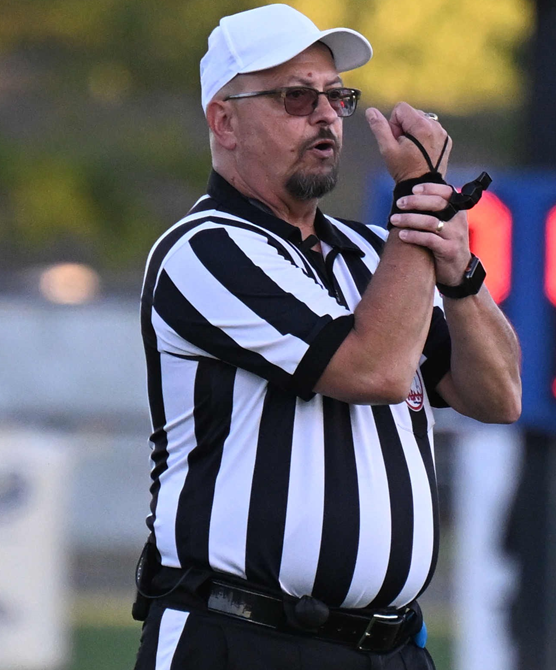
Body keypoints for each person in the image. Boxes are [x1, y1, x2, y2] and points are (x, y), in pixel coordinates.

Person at [134, 4, 521, 668]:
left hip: (389, 648)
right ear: (224, 120)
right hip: (244, 638)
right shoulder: (203, 251)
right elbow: (371, 372)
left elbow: (498, 397)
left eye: (336, 96)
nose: (325, 116)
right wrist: (419, 198)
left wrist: (459, 274)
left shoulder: (374, 254)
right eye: (295, 97)